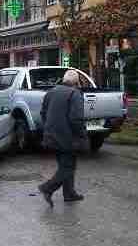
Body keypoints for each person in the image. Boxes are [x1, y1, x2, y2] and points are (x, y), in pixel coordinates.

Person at [38, 70, 86, 207]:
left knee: (65, 165)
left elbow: (43, 113)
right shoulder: (75, 94)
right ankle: (47, 188)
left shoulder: (51, 92)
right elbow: (76, 119)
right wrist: (82, 135)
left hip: (51, 136)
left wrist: (50, 127)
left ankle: (69, 193)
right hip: (67, 138)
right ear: (76, 83)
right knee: (68, 167)